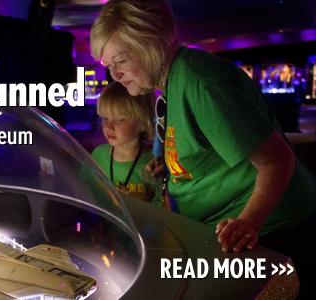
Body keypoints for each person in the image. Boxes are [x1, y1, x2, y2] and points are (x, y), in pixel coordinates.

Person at [91, 0, 316, 296]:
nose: (114, 76)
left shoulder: (201, 83)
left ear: (150, 43)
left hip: (271, 232)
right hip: (225, 228)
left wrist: (248, 223)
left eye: (120, 61)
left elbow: (277, 161)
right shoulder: (171, 84)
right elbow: (202, 149)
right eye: (109, 66)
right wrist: (171, 165)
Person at [91, 82, 160, 204]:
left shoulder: (153, 163)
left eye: (121, 119)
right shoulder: (98, 156)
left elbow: (162, 207)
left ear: (143, 123)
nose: (109, 126)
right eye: (105, 118)